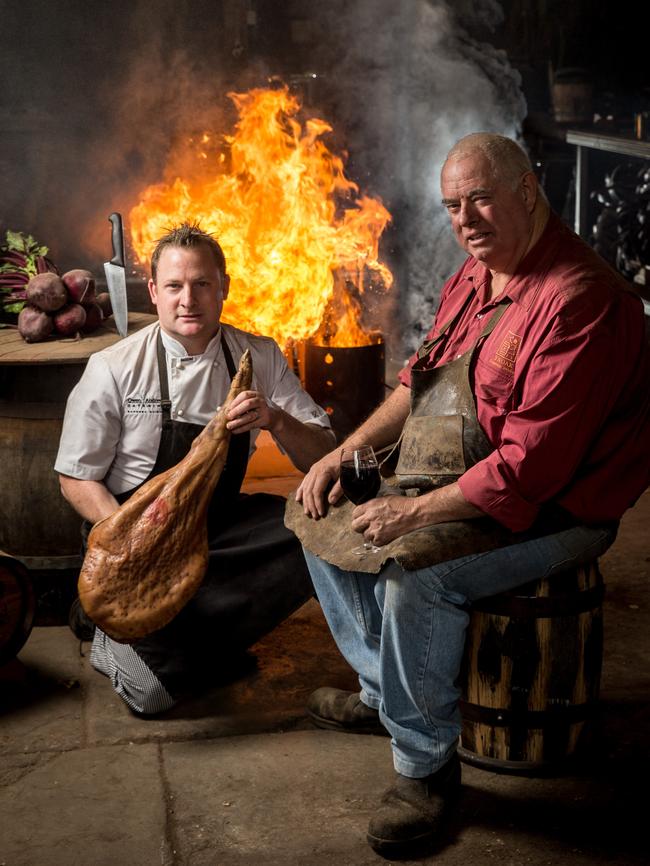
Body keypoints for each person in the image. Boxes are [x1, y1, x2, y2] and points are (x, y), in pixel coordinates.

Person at [295, 133, 650, 859]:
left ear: (527, 191)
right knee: (318, 515)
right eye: (453, 206)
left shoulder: (582, 301)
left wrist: (414, 511)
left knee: (412, 577)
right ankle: (385, 693)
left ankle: (424, 768)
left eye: (480, 199)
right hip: (472, 471)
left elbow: (531, 472)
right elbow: (418, 381)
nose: (465, 219)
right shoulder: (477, 273)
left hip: (560, 507)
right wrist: (341, 453)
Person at [56, 222, 335, 716]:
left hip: (216, 527)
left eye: (202, 284)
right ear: (154, 292)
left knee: (316, 531)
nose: (189, 299)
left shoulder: (259, 356)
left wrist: (275, 418)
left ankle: (197, 643)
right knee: (152, 696)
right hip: (136, 535)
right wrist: (128, 539)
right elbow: (76, 476)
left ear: (223, 287)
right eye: (175, 286)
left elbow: (322, 454)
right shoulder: (113, 367)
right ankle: (114, 635)